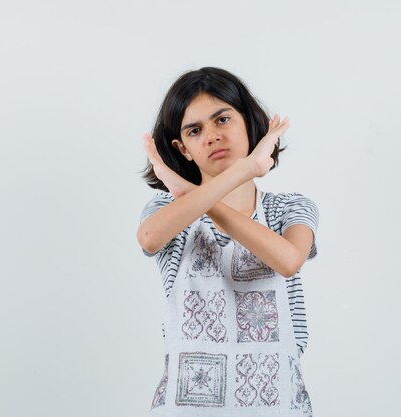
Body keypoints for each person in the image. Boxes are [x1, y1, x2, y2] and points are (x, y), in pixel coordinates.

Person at [137, 67, 319, 416]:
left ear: (249, 124)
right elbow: (149, 238)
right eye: (195, 130)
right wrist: (246, 168)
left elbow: (288, 260)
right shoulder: (166, 208)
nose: (211, 136)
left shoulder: (289, 208)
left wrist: (185, 187)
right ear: (183, 149)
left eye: (222, 119)